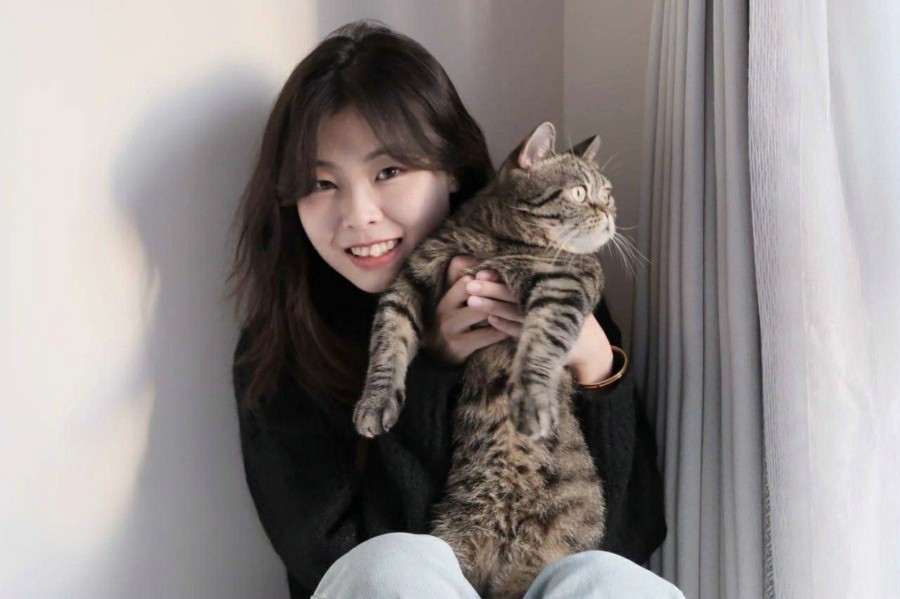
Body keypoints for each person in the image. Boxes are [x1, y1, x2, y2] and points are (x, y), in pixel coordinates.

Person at [229, 20, 683, 599]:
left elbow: (631, 540)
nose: (359, 214)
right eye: (321, 184)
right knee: (390, 566)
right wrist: (431, 370)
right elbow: (343, 564)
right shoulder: (283, 347)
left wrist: (597, 369)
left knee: (615, 584)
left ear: (451, 170)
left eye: (388, 172)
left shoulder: (546, 271)